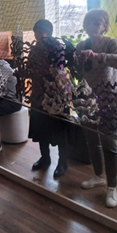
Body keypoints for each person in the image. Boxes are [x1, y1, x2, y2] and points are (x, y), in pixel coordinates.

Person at [75, 9, 117, 208]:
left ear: (104, 25)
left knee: (110, 144)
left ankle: (111, 186)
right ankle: (99, 175)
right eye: (89, 23)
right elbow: (78, 72)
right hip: (88, 101)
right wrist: (77, 59)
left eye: (97, 23)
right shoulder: (81, 45)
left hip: (111, 101)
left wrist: (97, 55)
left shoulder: (111, 42)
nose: (93, 26)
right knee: (92, 141)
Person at [28, 19, 75, 179]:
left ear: (49, 32)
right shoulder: (34, 49)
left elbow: (58, 68)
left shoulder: (57, 46)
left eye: (41, 32)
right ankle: (45, 157)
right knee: (41, 127)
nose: (38, 35)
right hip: (38, 93)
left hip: (56, 94)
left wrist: (43, 70)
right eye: (36, 32)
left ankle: (63, 162)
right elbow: (30, 67)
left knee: (59, 129)